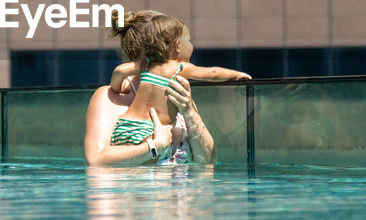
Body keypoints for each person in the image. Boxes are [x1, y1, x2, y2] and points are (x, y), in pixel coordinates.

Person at [83, 10, 249, 166]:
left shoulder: (178, 91)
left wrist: (189, 113)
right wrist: (154, 147)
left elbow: (208, 162)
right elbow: (96, 159)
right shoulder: (109, 98)